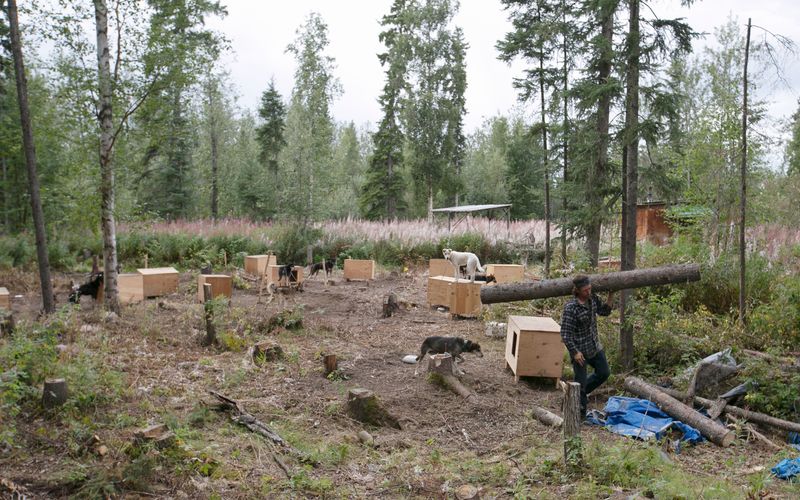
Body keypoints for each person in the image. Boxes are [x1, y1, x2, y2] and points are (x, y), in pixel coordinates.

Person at [560, 275, 615, 419]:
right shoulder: (571, 308)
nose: (588, 292)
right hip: (580, 352)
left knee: (604, 373)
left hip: (594, 346)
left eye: (590, 289)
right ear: (577, 291)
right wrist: (575, 352)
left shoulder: (593, 299)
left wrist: (611, 294)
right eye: (585, 290)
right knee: (580, 383)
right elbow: (565, 334)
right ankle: (579, 413)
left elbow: (605, 311)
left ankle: (574, 396)